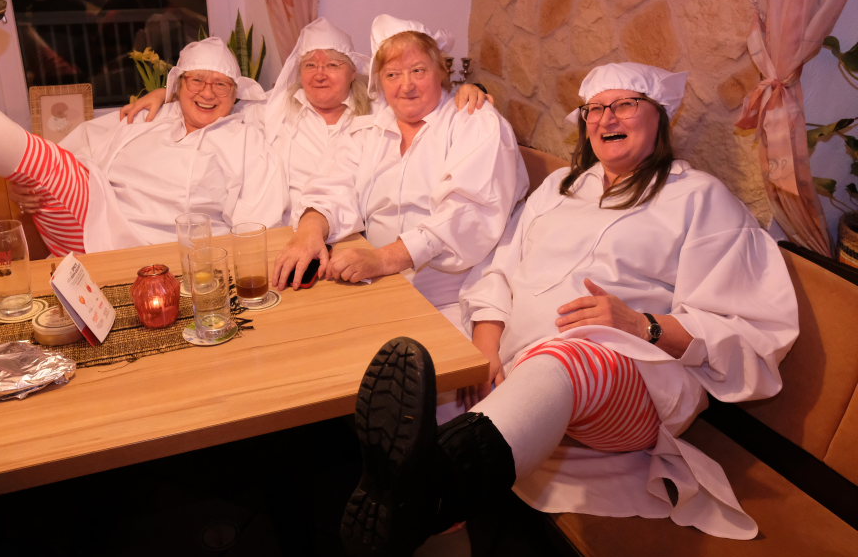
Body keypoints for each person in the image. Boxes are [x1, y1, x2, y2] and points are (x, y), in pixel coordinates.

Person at [339, 63, 800, 556]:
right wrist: (486, 346)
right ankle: (426, 501)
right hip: (518, 365)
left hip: (630, 384)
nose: (607, 118)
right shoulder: (560, 188)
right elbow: (499, 267)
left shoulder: (699, 197)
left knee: (568, 355)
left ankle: (433, 493)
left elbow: (750, 329)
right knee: (432, 371)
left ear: (659, 117)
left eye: (625, 105)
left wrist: (641, 323)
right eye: (595, 109)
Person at [0, 0, 287, 256]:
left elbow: (256, 227)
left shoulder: (247, 137)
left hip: (172, 256)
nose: (208, 92)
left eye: (221, 84)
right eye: (197, 80)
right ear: (177, 86)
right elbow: (64, 160)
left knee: (44, 167)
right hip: (95, 228)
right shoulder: (146, 116)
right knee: (44, 166)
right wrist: (23, 185)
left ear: (237, 94)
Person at [104, 16, 493, 223]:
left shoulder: (380, 112)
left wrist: (464, 90)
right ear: (298, 71)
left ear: (353, 72)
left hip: (359, 237)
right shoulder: (272, 111)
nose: (320, 74)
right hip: (291, 238)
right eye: (310, 65)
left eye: (332, 64)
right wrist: (168, 94)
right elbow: (216, 102)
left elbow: (417, 95)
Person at [273, 14, 527, 328]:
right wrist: (309, 232)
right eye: (392, 74)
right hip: (375, 284)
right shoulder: (369, 131)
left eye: (418, 70)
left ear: (440, 70)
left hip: (450, 299)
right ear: (379, 81)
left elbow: (465, 214)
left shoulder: (475, 123)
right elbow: (334, 185)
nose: (406, 85)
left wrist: (383, 259)